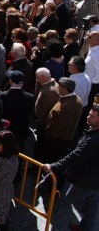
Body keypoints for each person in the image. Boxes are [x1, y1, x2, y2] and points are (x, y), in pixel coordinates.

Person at [43, 95, 99, 231]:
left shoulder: (93, 139)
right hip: (93, 178)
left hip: (87, 179)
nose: (87, 117)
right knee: (93, 203)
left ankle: (90, 220)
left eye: (92, 116)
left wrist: (54, 166)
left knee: (73, 197)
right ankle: (87, 225)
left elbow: (75, 156)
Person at [0, 71, 35, 151]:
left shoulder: (2, 96)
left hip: (6, 128)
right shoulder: (30, 97)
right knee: (19, 151)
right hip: (21, 131)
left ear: (10, 81)